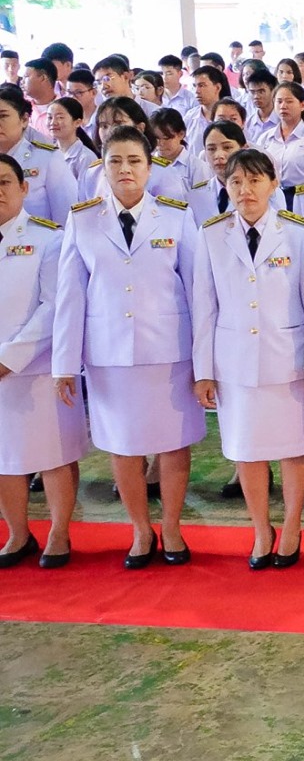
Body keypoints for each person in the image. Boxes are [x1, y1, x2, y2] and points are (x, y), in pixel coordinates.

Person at [54, 126, 206, 568]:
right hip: (109, 353)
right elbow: (71, 294)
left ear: (149, 166)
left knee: (174, 443)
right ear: (102, 166)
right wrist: (65, 363)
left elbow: (198, 291)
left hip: (170, 352)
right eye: (116, 161)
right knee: (123, 445)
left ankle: (173, 528)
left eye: (134, 161)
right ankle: (141, 530)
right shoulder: (83, 219)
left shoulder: (175, 216)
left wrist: (204, 359)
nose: (125, 170)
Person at [191, 149, 304, 568]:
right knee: (247, 450)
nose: (245, 191)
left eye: (254, 181)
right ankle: (261, 529)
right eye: (236, 182)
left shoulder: (298, 232)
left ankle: (293, 526)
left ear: (273, 183)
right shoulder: (211, 233)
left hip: (288, 357)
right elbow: (204, 308)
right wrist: (203, 371)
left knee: (293, 447)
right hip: (235, 361)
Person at [0, 154, 85, 568]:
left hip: (36, 367)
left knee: (53, 455)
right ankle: (17, 535)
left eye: (4, 183)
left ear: (23, 188)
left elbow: (55, 307)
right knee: (4, 460)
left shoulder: (48, 238)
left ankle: (58, 532)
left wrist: (9, 358)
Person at [0, 84, 76, 224]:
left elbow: (67, 217)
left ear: (24, 120)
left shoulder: (47, 158)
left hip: (39, 244)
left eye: (3, 116)